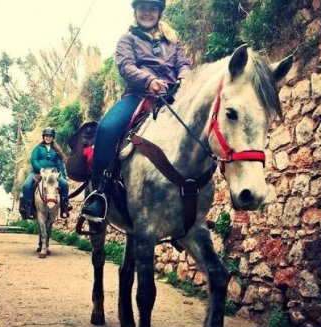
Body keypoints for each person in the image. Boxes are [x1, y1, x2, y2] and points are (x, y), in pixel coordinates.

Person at [81, 0, 192, 221]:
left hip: (172, 98)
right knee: (107, 128)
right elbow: (126, 66)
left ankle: (192, 199)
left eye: (152, 8)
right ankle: (99, 193)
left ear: (159, 12)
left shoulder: (173, 41)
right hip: (138, 96)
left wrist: (185, 77)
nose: (147, 13)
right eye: (143, 8)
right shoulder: (127, 39)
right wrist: (149, 80)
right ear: (136, 11)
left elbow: (184, 63)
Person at [19, 127, 72, 219]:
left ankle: (65, 206)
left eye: (50, 136)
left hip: (53, 173)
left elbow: (59, 164)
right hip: (38, 172)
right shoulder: (37, 148)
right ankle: (26, 207)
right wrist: (40, 169)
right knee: (26, 186)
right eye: (47, 136)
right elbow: (34, 160)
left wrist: (62, 176)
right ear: (43, 137)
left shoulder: (55, 150)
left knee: (64, 184)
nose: (48, 138)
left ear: (53, 137)